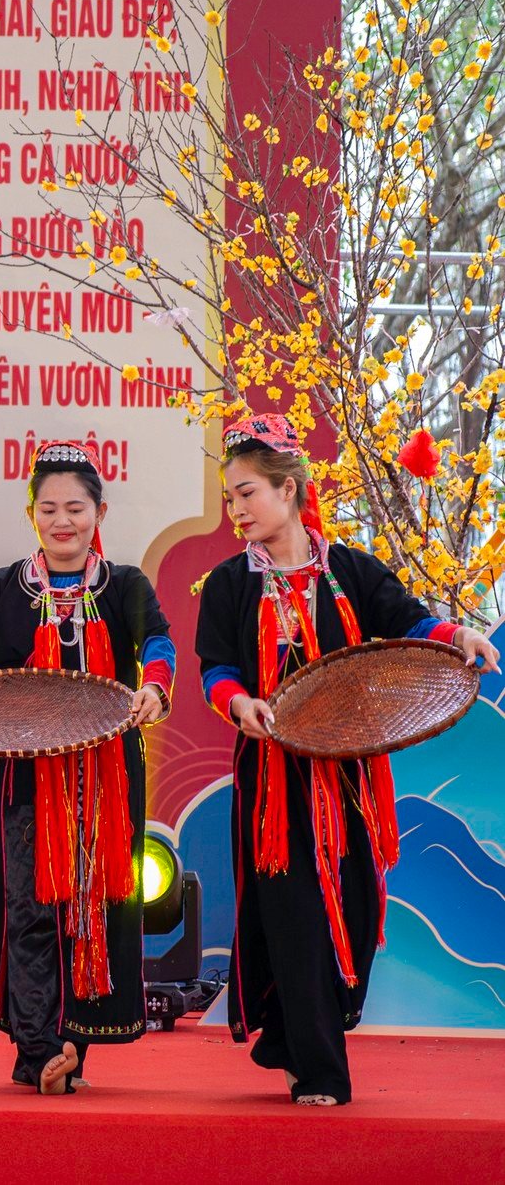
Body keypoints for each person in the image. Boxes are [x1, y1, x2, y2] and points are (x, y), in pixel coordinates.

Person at [194, 415, 499, 1106]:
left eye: (246, 494)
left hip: (350, 780)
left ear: (289, 489)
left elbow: (411, 620)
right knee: (296, 916)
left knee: (355, 917)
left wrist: (460, 636)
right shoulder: (229, 585)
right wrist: (241, 705)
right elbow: (215, 669)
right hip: (273, 783)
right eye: (229, 499)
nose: (236, 511)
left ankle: (292, 1030)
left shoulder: (351, 570)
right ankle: (320, 1071)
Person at [0, 440, 174, 1094]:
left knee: (92, 906)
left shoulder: (125, 585)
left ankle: (73, 1041)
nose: (62, 521)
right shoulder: (3, 589)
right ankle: (39, 1047)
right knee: (28, 907)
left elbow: (157, 642)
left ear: (98, 511)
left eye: (75, 507)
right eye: (48, 508)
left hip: (108, 779)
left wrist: (155, 687)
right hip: (30, 780)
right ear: (32, 515)